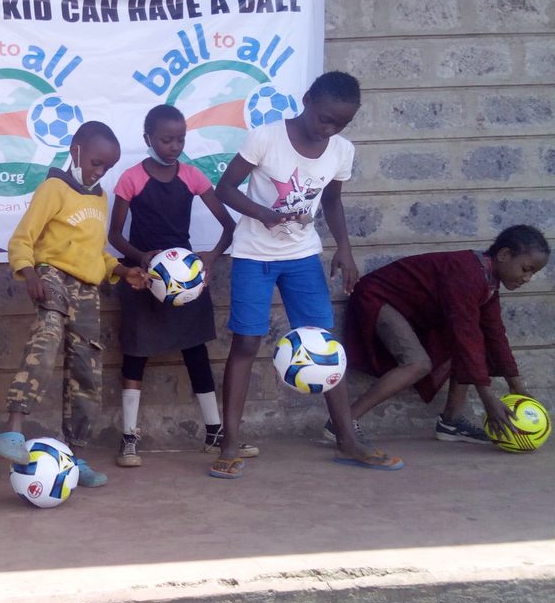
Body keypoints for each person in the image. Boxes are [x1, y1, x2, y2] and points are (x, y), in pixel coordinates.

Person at [212, 71, 402, 479]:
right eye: (325, 119)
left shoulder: (341, 150)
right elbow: (224, 188)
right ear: (307, 100)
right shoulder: (266, 137)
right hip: (253, 254)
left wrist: (344, 248)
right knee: (246, 342)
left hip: (302, 256)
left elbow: (332, 201)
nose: (329, 129)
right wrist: (263, 214)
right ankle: (229, 443)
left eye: (341, 124)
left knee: (324, 344)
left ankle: (346, 439)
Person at [0, 121, 148, 487]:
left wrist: (122, 270)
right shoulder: (54, 188)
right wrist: (29, 272)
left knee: (87, 369)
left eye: (107, 167)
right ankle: (13, 428)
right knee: (47, 336)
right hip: (51, 276)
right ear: (76, 151)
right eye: (95, 162)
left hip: (87, 289)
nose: (99, 172)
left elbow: (93, 254)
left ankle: (76, 457)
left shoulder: (100, 198)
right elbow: (22, 238)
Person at [108, 104, 252, 467]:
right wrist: (142, 257)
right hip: (145, 278)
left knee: (195, 349)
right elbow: (114, 236)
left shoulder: (192, 176)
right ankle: (129, 436)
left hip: (185, 278)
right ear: (148, 139)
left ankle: (215, 432)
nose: (174, 146)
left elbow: (229, 226)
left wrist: (211, 258)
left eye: (180, 139)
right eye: (166, 140)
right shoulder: (131, 179)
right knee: (136, 352)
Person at [338, 224, 549, 444]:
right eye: (526, 269)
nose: (527, 278)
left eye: (532, 273)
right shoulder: (467, 273)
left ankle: (451, 422)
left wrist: (517, 387)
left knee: (469, 350)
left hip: (410, 312)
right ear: (504, 255)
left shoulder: (488, 284)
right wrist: (488, 399)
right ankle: (342, 423)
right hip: (377, 297)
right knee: (418, 363)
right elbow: (466, 336)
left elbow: (495, 336)